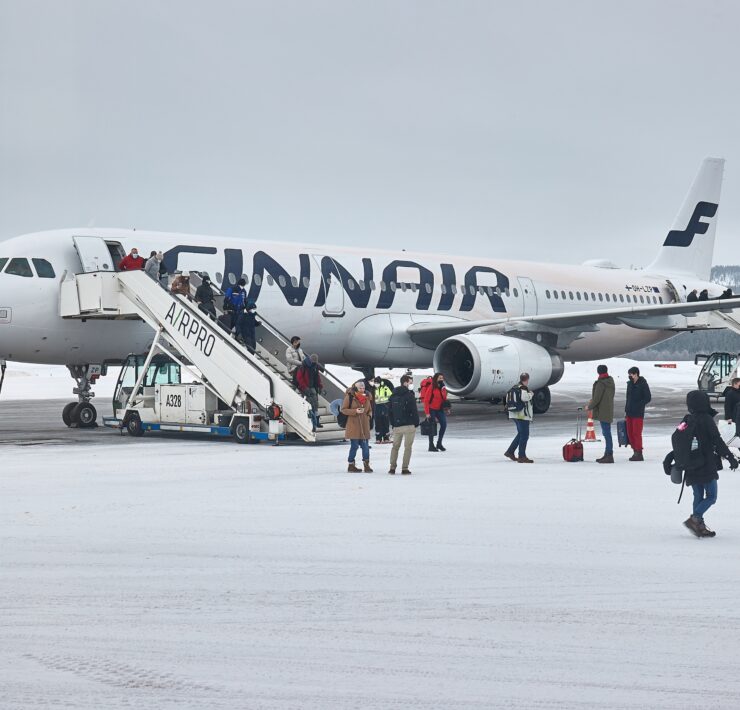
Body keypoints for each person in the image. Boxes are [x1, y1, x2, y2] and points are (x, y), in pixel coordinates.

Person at [680, 390, 738, 537]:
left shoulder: (687, 419)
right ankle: (695, 518)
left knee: (698, 496)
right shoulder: (706, 419)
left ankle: (698, 525)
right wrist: (730, 458)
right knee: (711, 496)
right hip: (705, 463)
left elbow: (678, 439)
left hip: (691, 464)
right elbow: (717, 441)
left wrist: (674, 458)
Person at [388, 374, 420, 474]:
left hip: (397, 426)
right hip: (409, 425)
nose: (411, 384)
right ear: (405, 382)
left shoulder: (393, 396)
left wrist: (393, 423)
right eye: (410, 382)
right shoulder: (409, 395)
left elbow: (390, 412)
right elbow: (414, 411)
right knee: (408, 448)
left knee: (395, 447)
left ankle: (392, 468)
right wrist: (416, 423)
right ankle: (404, 468)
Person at [341, 381, 374, 472]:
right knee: (354, 446)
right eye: (360, 388)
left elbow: (370, 410)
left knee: (365, 446)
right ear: (356, 388)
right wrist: (355, 411)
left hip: (364, 425)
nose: (362, 390)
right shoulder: (350, 397)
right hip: (354, 426)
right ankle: (351, 465)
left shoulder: (367, 397)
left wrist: (369, 416)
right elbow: (343, 410)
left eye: (363, 388)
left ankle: (366, 465)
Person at [504, 372, 535, 463]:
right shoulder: (523, 389)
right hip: (522, 415)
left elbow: (507, 399)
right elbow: (525, 398)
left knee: (521, 434)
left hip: (514, 414)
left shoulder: (514, 387)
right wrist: (531, 394)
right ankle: (522, 456)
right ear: (527, 380)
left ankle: (510, 452)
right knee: (524, 435)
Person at [588, 364, 615, 463]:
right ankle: (607, 454)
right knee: (607, 433)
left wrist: (589, 406)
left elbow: (596, 398)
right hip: (608, 410)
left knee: (606, 433)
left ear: (598, 372)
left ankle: (609, 454)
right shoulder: (610, 381)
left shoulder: (601, 383)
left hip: (603, 411)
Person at [625, 366, 651, 462]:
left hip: (638, 413)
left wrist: (639, 405)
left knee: (636, 433)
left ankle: (639, 453)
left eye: (631, 374)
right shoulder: (630, 384)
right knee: (630, 433)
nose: (630, 376)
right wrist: (626, 409)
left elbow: (648, 398)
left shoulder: (643, 384)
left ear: (636, 374)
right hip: (629, 412)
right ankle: (635, 451)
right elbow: (628, 398)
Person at [422, 372, 449, 452]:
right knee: (432, 427)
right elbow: (426, 400)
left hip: (440, 409)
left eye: (442, 378)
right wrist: (427, 413)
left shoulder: (443, 387)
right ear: (435, 379)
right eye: (439, 378)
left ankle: (439, 443)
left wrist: (447, 408)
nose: (441, 379)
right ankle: (431, 445)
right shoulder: (432, 387)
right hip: (432, 409)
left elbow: (444, 399)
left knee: (444, 425)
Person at [296, 354, 323, 431]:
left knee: (315, 405)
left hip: (312, 387)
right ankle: (312, 424)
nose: (315, 363)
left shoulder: (314, 366)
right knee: (310, 406)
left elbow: (317, 377)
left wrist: (320, 386)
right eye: (314, 361)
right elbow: (299, 378)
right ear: (310, 360)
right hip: (306, 388)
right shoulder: (303, 367)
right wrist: (305, 388)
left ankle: (316, 422)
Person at [373, 377, 394, 443]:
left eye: (377, 382)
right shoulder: (374, 389)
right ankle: (378, 438)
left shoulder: (385, 388)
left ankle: (386, 437)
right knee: (377, 422)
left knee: (385, 422)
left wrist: (388, 404)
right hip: (377, 406)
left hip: (384, 406)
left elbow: (390, 396)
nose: (376, 384)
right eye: (375, 382)